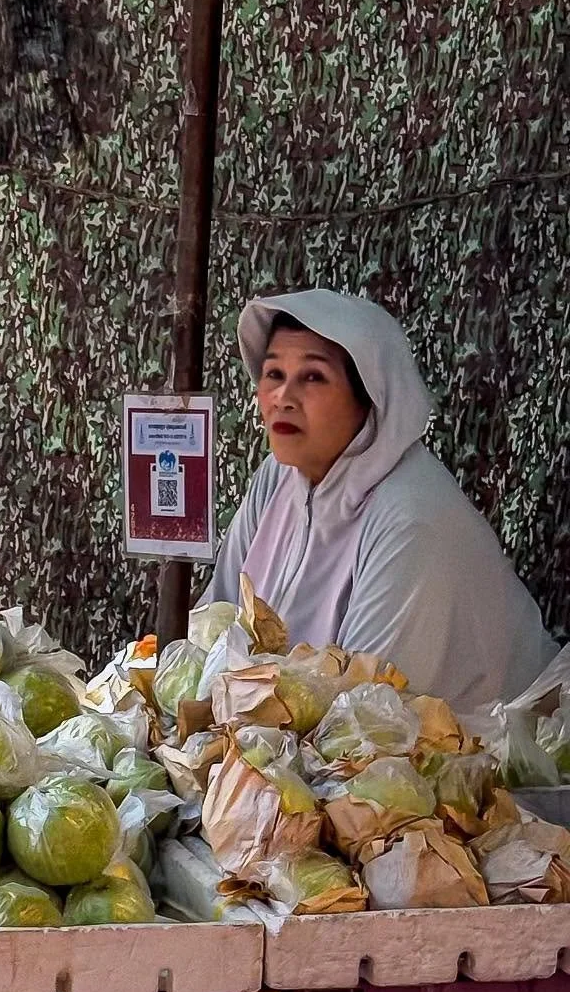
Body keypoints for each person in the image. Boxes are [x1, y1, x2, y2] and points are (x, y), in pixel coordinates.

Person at [205, 289, 557, 712]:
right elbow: (216, 627)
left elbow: (364, 716)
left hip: (502, 758)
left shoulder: (411, 518)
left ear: (369, 399)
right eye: (274, 374)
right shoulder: (277, 480)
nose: (283, 396)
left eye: (313, 377)